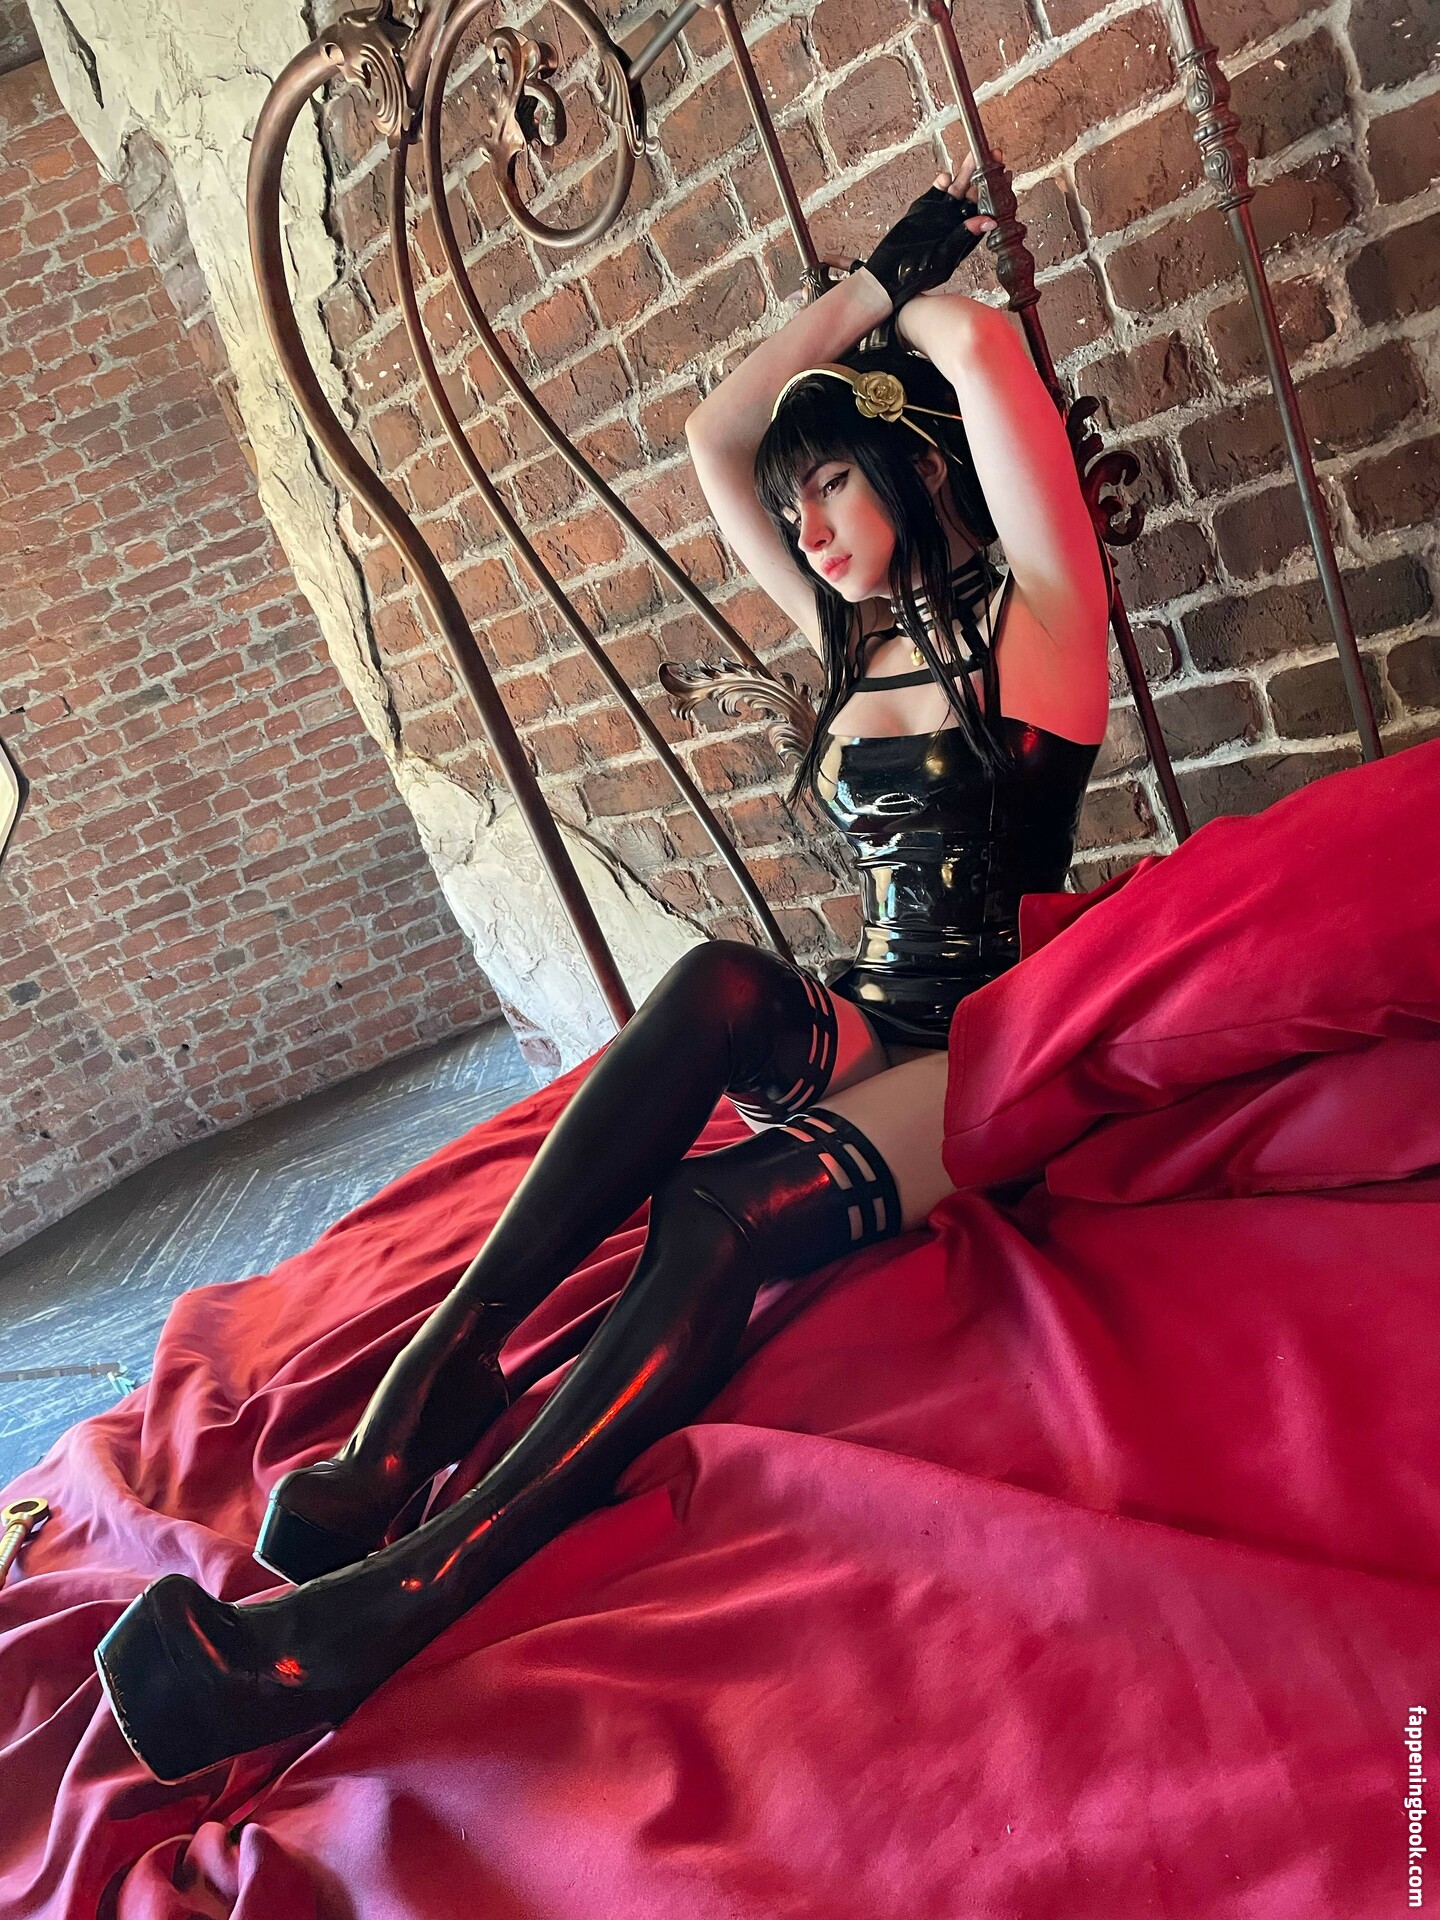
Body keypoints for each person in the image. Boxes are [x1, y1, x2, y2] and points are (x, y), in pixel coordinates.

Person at [94, 159, 1113, 1785]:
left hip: (990, 1055)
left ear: (920, 468)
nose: (805, 532)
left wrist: (918, 306)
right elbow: (714, 436)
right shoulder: (856, 639)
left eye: (832, 488)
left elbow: (986, 362)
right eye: (796, 507)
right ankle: (423, 1400)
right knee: (716, 980)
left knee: (715, 1215)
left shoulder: (1041, 628)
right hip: (873, 1021)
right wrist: (860, 287)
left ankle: (371, 1615)